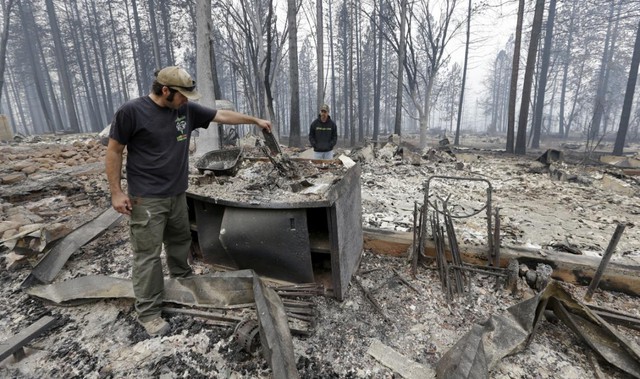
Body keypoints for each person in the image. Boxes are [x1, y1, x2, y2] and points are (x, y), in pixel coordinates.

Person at [105, 66, 272, 337]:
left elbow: (222, 115)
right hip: (146, 198)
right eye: (183, 95)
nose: (187, 101)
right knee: (147, 256)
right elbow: (114, 151)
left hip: (177, 193)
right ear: (166, 90)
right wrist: (116, 191)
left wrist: (254, 120)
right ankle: (148, 312)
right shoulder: (131, 112)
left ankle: (182, 280)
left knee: (180, 242)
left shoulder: (185, 110)